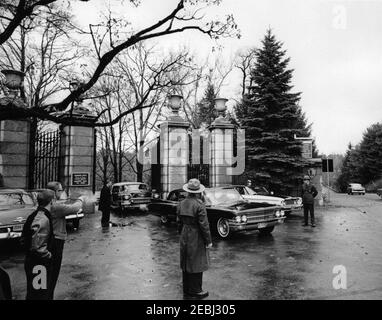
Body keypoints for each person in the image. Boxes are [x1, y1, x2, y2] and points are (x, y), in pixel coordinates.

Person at [46, 181, 83, 299]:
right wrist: (81, 199)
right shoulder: (56, 207)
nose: (61, 192)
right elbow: (75, 208)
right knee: (52, 274)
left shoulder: (47, 204)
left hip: (49, 240)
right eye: (60, 190)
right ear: (55, 192)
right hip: (56, 242)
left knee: (48, 273)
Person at [177, 178, 212, 299]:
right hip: (196, 234)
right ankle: (196, 290)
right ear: (198, 192)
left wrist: (181, 233)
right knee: (197, 261)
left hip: (184, 233)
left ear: (188, 191)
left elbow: (179, 222)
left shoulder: (181, 203)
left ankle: (186, 288)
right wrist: (208, 241)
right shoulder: (199, 205)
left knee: (186, 260)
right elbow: (204, 224)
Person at [23, 189, 55, 300]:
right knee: (39, 294)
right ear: (51, 201)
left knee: (35, 293)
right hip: (39, 264)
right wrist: (48, 255)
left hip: (34, 262)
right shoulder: (42, 218)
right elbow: (37, 246)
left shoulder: (36, 215)